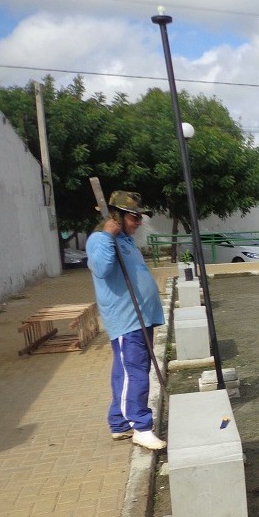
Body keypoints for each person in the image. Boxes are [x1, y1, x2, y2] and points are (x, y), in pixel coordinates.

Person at [86, 191, 167, 450]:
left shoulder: (125, 240)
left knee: (126, 371)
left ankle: (120, 422)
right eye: (134, 217)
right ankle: (141, 427)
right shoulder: (100, 239)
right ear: (116, 216)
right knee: (136, 372)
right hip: (127, 318)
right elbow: (101, 268)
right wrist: (108, 234)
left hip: (141, 318)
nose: (139, 221)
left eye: (139, 217)